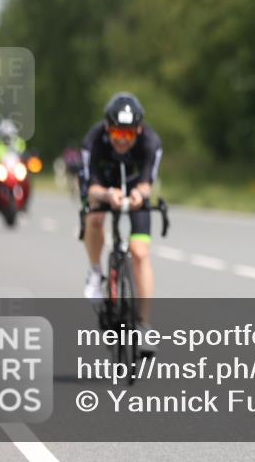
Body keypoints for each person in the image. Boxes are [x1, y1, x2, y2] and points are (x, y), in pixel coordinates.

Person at [80, 92, 163, 354]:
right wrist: (106, 195)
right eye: (117, 134)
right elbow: (90, 185)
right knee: (94, 217)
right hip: (102, 185)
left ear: (139, 129)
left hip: (135, 187)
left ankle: (145, 326)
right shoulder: (93, 141)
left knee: (140, 253)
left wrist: (139, 194)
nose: (122, 141)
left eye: (128, 135)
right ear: (107, 128)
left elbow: (148, 182)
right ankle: (95, 271)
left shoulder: (151, 142)